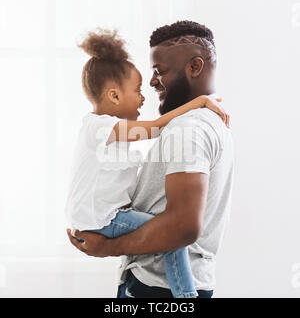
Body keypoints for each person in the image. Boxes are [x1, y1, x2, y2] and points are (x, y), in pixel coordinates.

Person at [67, 21, 234, 298]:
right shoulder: (104, 128)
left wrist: (106, 248)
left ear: (194, 67)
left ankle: (186, 297)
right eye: (140, 88)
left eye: (159, 72)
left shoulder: (188, 128)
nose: (152, 84)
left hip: (157, 288)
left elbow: (182, 229)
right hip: (153, 278)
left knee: (173, 243)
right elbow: (154, 127)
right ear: (114, 95)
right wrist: (200, 103)